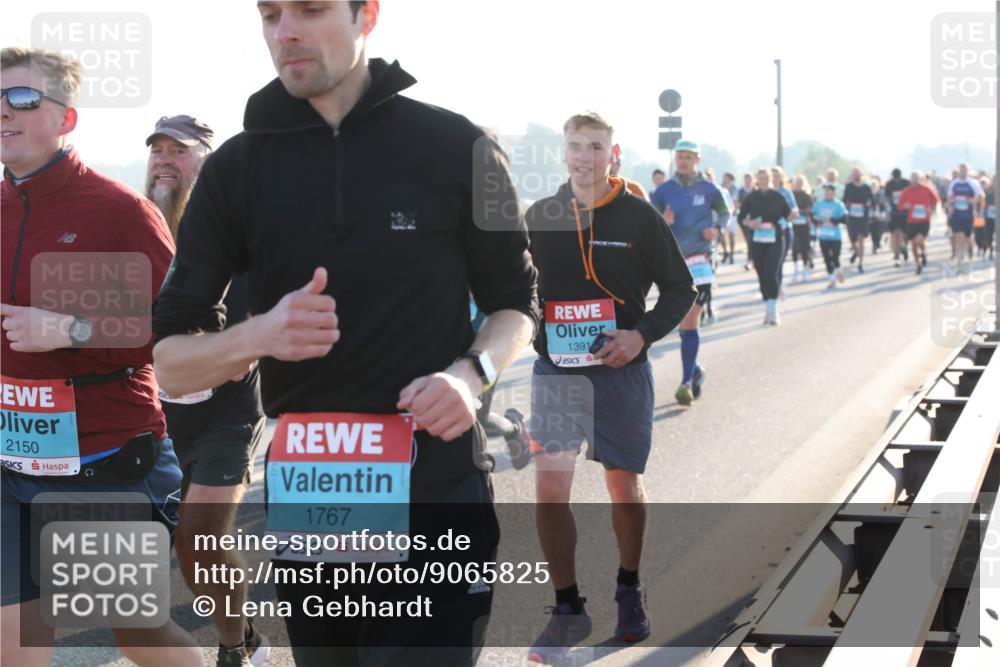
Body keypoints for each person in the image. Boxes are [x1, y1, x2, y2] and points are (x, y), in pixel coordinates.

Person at [151, 3, 539, 666]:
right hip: (313, 495)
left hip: (436, 487)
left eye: (309, 8)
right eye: (270, 14)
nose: (285, 31)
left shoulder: (460, 146)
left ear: (368, 14)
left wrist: (470, 376)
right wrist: (259, 335)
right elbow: (171, 365)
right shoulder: (236, 169)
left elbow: (517, 304)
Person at [1, 47, 201, 667]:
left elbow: (181, 339)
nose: (3, 112)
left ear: (67, 119)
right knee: (13, 641)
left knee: (134, 634)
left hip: (105, 459)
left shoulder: (120, 212)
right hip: (10, 464)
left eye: (23, 98)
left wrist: (72, 327)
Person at [524, 111, 695, 663]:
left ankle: (629, 587)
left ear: (612, 155)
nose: (584, 157)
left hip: (620, 370)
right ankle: (568, 607)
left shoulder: (639, 217)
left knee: (623, 487)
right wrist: (532, 328)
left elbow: (679, 290)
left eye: (595, 147)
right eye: (575, 146)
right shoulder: (541, 216)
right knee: (550, 490)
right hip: (557, 373)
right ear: (564, 153)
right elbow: (517, 287)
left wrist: (639, 337)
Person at [144, 115, 270, 667]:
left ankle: (231, 645)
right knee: (164, 549)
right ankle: (231, 628)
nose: (166, 159)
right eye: (159, 149)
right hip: (152, 414)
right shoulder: (132, 229)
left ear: (208, 165)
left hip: (228, 413)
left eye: (181, 151)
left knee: (199, 538)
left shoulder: (237, 231)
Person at [651, 139, 729, 405]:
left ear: (697, 159)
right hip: (674, 261)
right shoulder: (663, 191)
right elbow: (650, 223)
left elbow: (725, 213)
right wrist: (663, 221)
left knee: (690, 317)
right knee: (681, 320)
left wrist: (717, 230)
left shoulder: (709, 189)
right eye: (679, 156)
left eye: (688, 157)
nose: (683, 161)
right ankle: (694, 370)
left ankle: (685, 381)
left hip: (702, 258)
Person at [738, 169, 791, 325]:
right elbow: (741, 217)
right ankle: (767, 307)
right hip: (757, 241)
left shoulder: (778, 197)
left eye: (766, 178)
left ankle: (774, 310)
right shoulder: (751, 198)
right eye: (761, 178)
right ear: (757, 180)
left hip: (775, 240)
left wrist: (777, 225)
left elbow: (788, 216)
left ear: (771, 179)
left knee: (771, 273)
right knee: (762, 275)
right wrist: (749, 223)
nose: (764, 181)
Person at [898, 170, 940, 275]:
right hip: (912, 221)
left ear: (920, 179)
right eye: (913, 177)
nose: (915, 180)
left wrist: (931, 208)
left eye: (917, 177)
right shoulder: (906, 191)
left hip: (924, 220)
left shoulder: (927, 189)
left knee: (918, 241)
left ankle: (923, 253)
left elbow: (936, 200)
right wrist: (905, 206)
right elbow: (900, 205)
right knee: (913, 245)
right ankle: (918, 264)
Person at [946, 163, 985, 272]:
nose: (962, 172)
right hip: (957, 214)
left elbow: (980, 195)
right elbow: (949, 197)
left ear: (968, 172)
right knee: (959, 236)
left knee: (967, 237)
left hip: (969, 215)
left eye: (965, 170)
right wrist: (950, 207)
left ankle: (970, 247)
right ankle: (960, 262)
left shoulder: (972, 183)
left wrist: (973, 200)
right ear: (958, 171)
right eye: (961, 170)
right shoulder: (954, 183)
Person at [811, 185, 849, 288]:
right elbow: (812, 215)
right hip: (823, 236)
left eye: (829, 191)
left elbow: (845, 218)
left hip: (836, 236)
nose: (827, 193)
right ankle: (832, 279)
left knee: (835, 258)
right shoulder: (819, 204)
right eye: (826, 191)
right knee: (827, 258)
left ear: (834, 193)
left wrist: (833, 220)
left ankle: (839, 269)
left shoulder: (838, 204)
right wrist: (818, 221)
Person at [842, 167, 875, 273]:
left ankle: (860, 262)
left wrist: (868, 205)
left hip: (862, 217)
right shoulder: (848, 187)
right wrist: (848, 205)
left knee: (861, 238)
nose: (856, 175)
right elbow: (844, 201)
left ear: (861, 175)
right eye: (854, 173)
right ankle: (856, 252)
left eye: (858, 173)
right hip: (852, 217)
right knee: (853, 240)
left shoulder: (866, 187)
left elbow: (872, 201)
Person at [884, 168, 911, 267]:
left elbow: (911, 195)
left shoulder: (906, 183)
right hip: (894, 213)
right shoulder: (889, 184)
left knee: (905, 234)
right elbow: (887, 198)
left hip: (905, 212)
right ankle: (897, 255)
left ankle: (904, 246)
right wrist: (889, 208)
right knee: (896, 233)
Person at [790, 175, 814, 283]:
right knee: (794, 247)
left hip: (804, 224)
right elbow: (789, 209)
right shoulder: (791, 195)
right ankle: (796, 268)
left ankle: (805, 268)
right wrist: (799, 211)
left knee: (805, 247)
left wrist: (799, 211)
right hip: (794, 224)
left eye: (800, 182)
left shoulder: (806, 196)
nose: (798, 184)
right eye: (797, 182)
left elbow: (809, 210)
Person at [736, 173, 756, 270]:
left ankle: (752, 259)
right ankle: (750, 260)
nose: (747, 182)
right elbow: (737, 203)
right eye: (746, 180)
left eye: (749, 180)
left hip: (754, 219)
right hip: (744, 219)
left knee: (753, 239)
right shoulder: (741, 191)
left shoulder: (755, 190)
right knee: (748, 239)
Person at [720, 172, 739, 265]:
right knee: (721, 235)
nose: (724, 179)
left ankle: (731, 254)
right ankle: (725, 251)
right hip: (722, 215)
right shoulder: (719, 187)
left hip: (733, 215)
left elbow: (736, 201)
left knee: (732, 235)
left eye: (726, 177)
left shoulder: (735, 189)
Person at [977, 176, 995, 260]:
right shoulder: (986, 192)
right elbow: (983, 204)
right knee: (989, 235)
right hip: (989, 217)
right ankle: (991, 251)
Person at [870, 175, 886, 255]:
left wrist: (882, 213)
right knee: (873, 231)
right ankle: (875, 245)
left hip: (880, 214)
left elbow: (883, 205)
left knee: (880, 229)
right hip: (872, 216)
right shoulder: (869, 195)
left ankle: (878, 242)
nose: (874, 188)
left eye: (875, 186)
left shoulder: (881, 194)